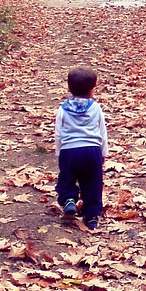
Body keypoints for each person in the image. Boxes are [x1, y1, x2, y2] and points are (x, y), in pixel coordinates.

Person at [54, 65, 108, 230]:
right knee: (93, 183)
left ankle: (69, 200)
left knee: (67, 179)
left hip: (69, 150)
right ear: (92, 90)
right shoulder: (96, 108)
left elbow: (58, 133)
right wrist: (103, 152)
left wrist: (59, 151)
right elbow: (102, 131)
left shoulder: (63, 109)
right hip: (92, 151)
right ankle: (91, 216)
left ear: (69, 88)